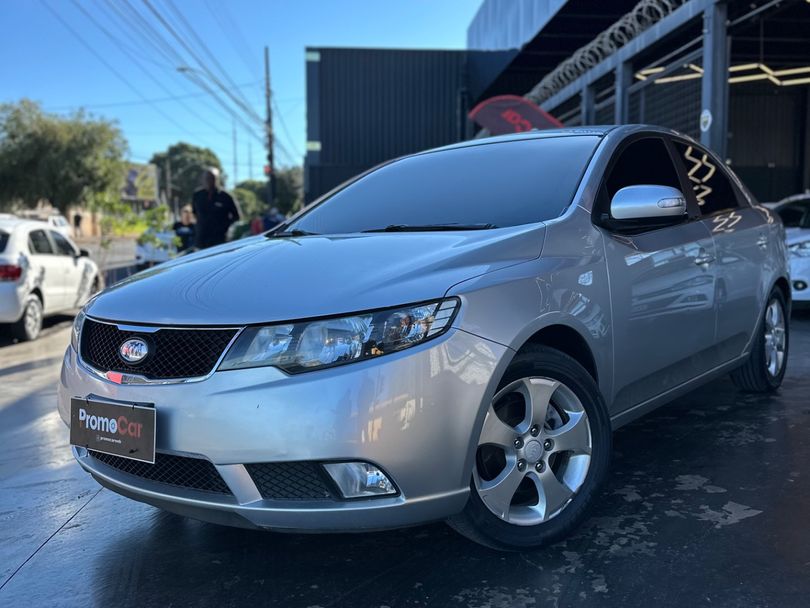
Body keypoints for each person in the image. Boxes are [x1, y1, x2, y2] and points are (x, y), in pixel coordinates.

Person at [191, 167, 240, 248]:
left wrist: (225, 227)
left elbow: (237, 216)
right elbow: (194, 212)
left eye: (212, 178)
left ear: (217, 179)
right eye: (206, 178)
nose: (208, 181)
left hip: (220, 240)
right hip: (201, 239)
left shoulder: (226, 197)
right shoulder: (197, 195)